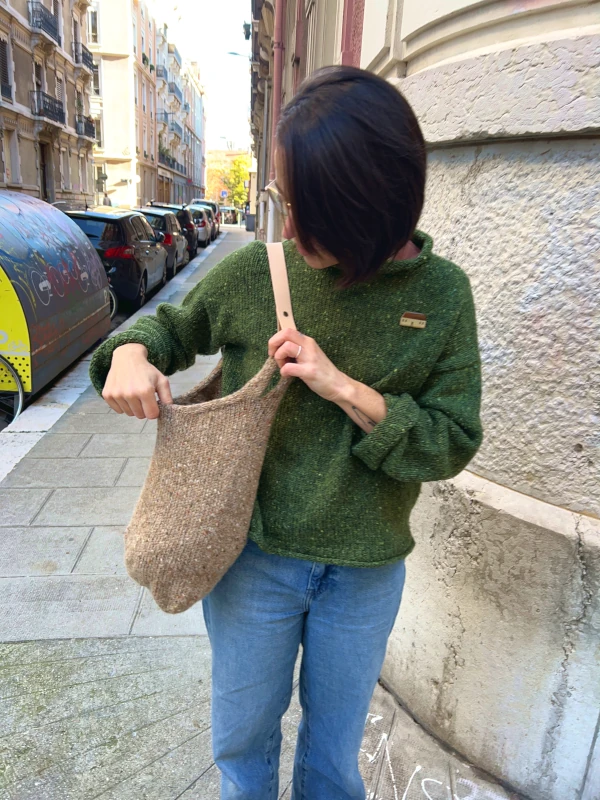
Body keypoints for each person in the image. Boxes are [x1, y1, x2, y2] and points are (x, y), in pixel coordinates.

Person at [89, 66, 483, 800]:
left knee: (332, 762)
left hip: (365, 572)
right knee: (242, 746)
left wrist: (343, 387)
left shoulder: (442, 294)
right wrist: (130, 355)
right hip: (254, 561)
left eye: (308, 208)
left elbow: (452, 441)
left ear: (369, 205)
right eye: (285, 202)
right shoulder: (258, 273)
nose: (291, 227)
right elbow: (166, 329)